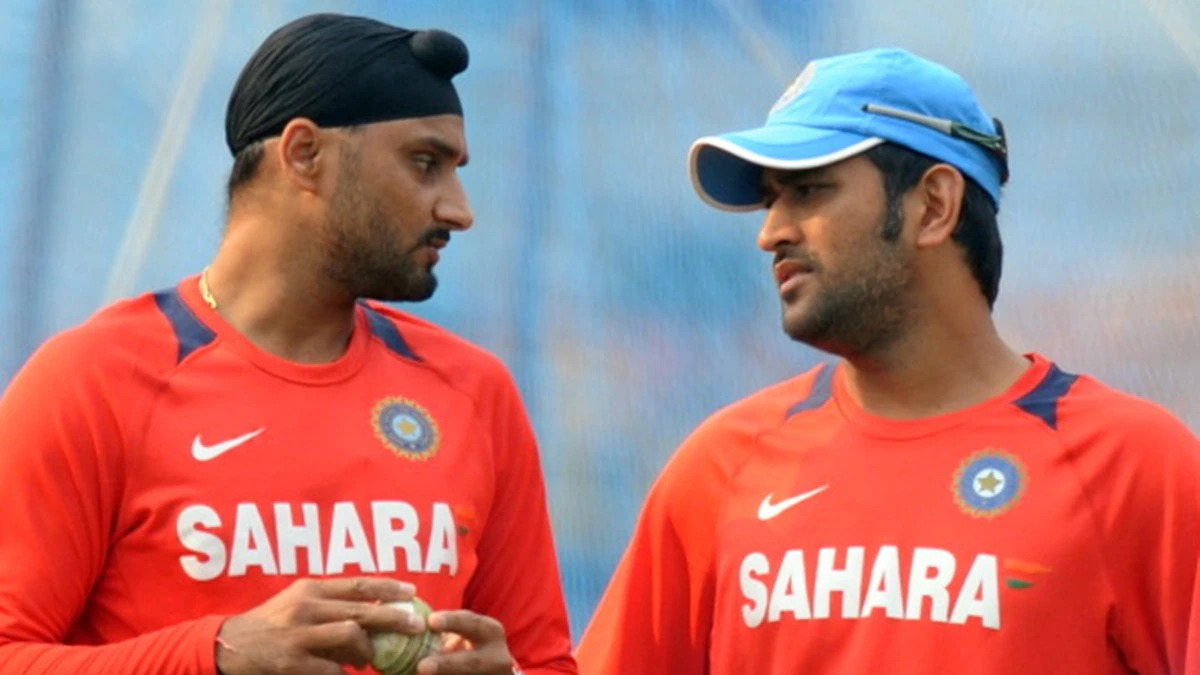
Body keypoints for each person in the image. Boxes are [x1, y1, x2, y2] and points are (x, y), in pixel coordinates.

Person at [576, 48, 1200, 674]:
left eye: (810, 189)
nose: (771, 232)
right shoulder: (721, 465)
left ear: (933, 205)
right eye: (771, 200)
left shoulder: (1137, 468)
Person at [0, 13, 577, 675]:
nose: (459, 208)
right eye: (425, 163)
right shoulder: (93, 382)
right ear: (304, 154)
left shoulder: (475, 391)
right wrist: (215, 655)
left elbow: (543, 660)